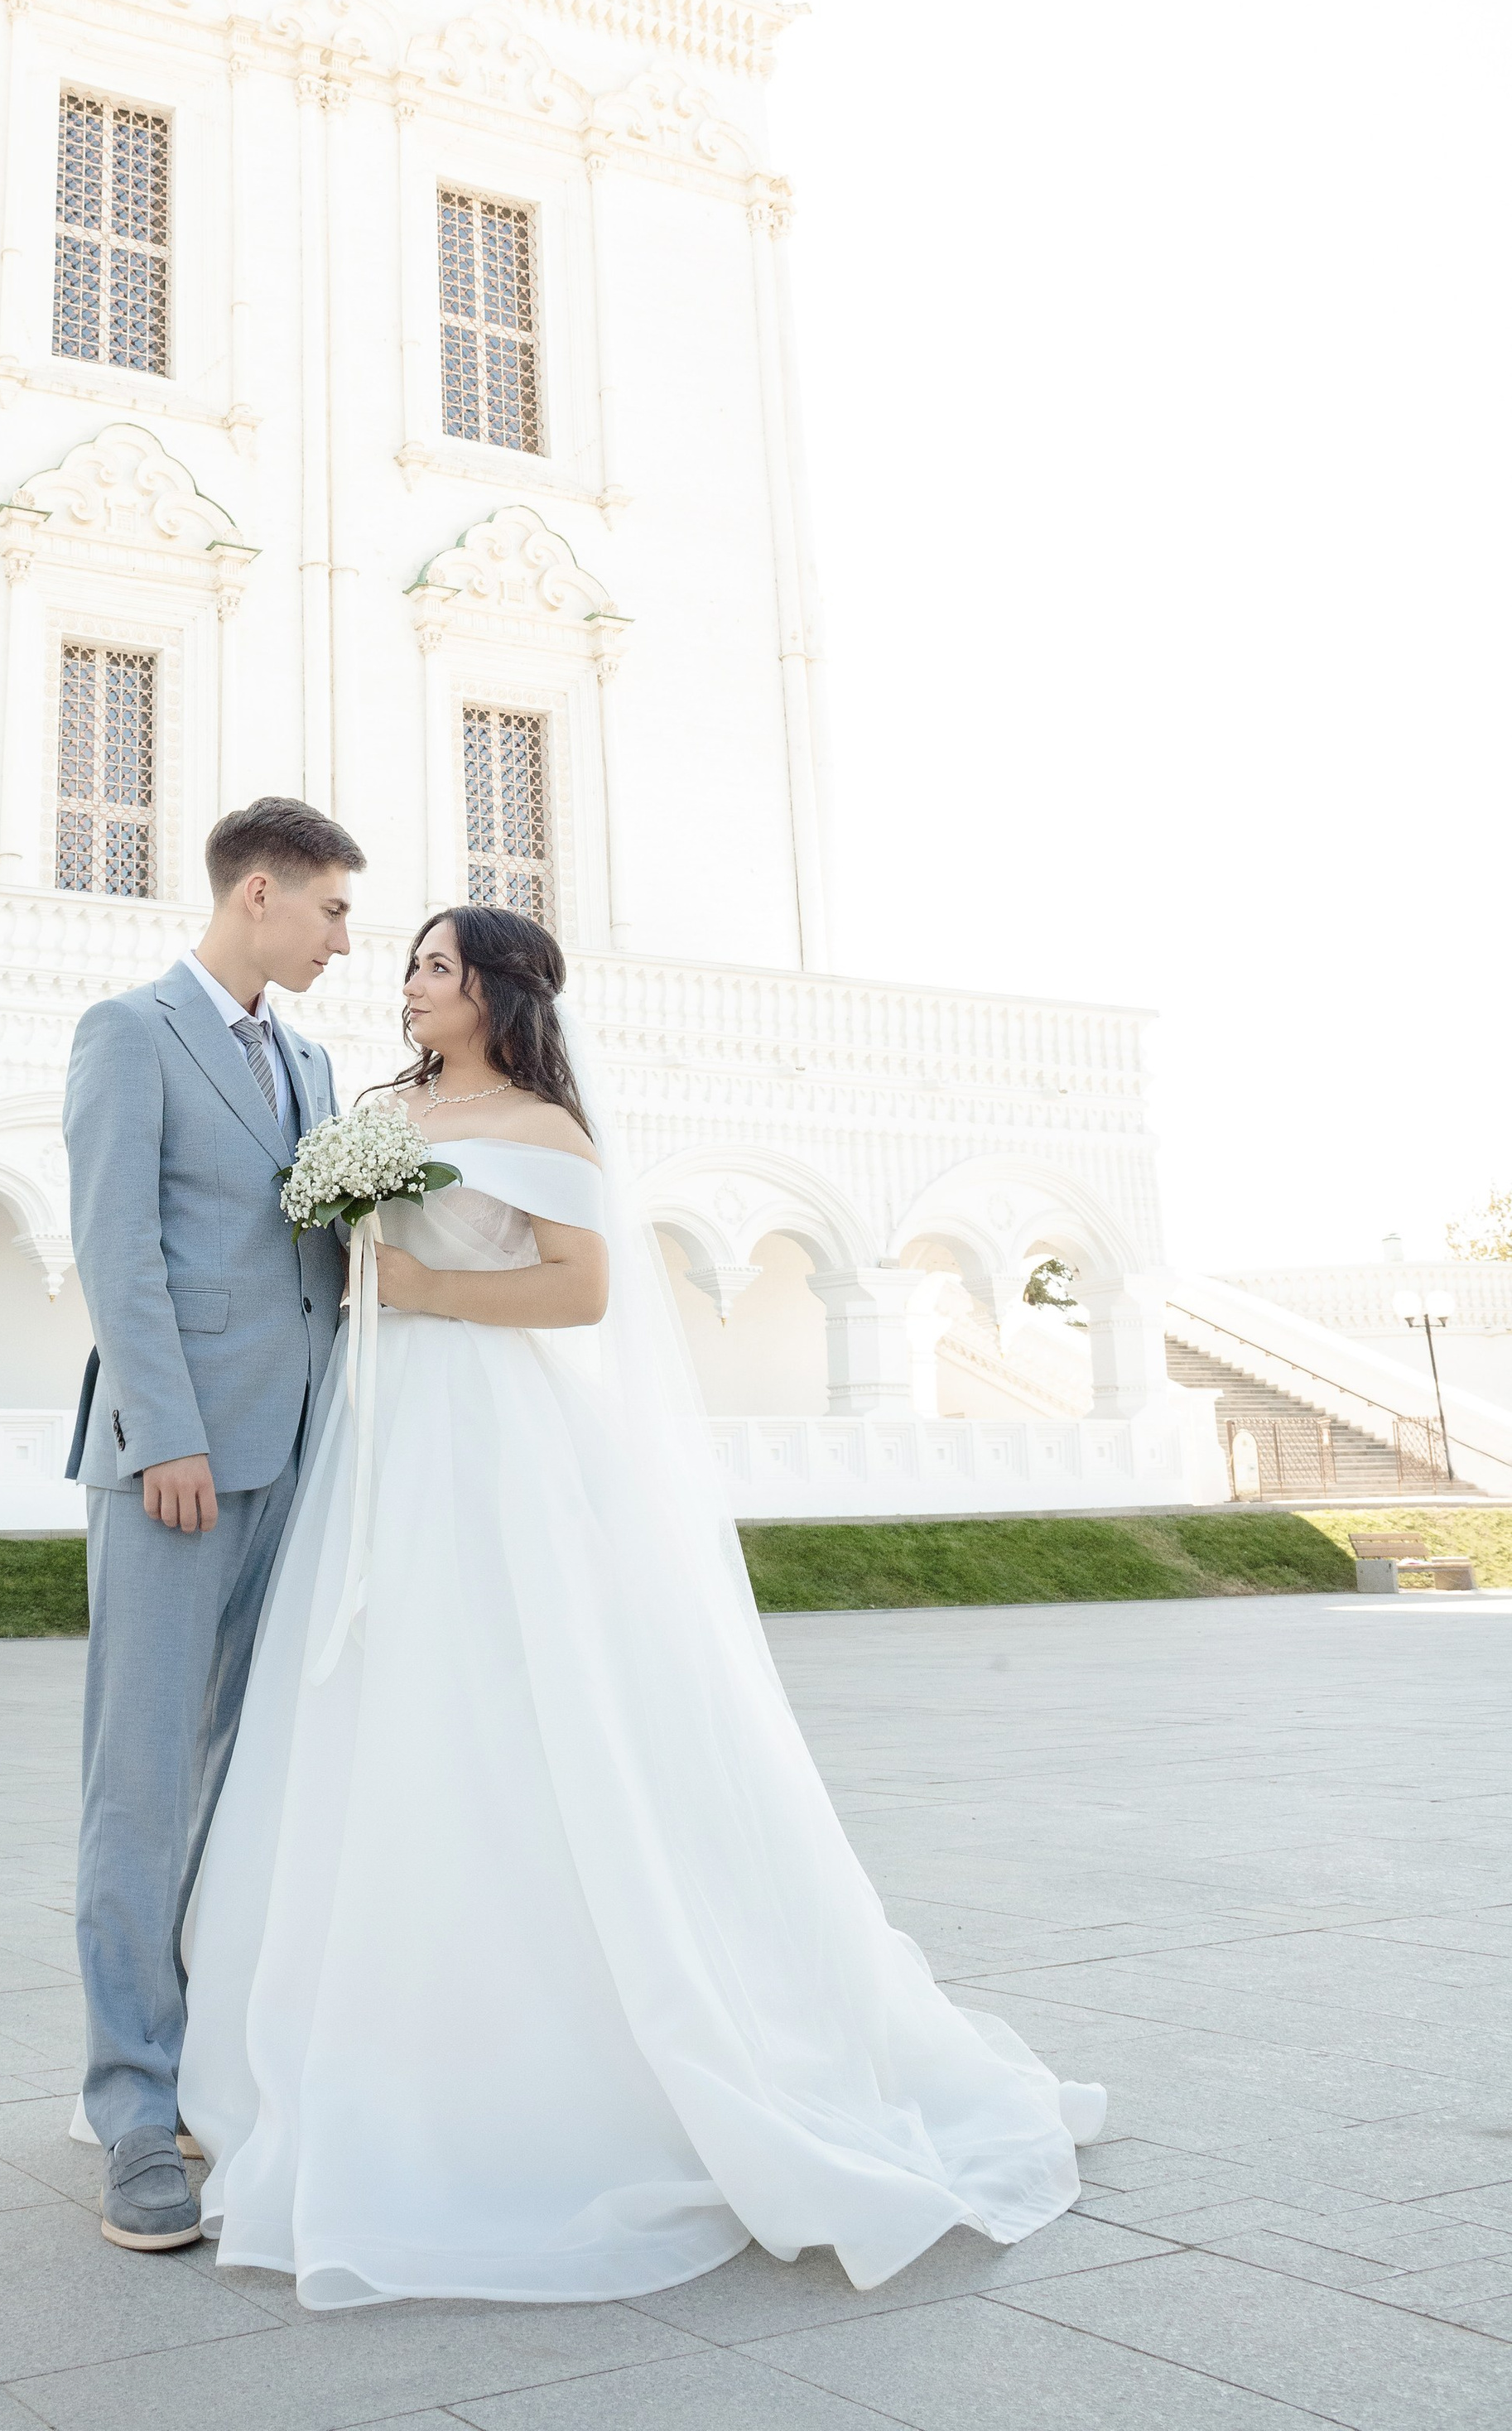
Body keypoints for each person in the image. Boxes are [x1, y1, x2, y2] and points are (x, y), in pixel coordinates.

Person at [176, 904, 1105, 2308]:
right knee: (374, 1703)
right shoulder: (378, 1107)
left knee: (521, 1693)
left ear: (493, 988)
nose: (411, 982)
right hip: (382, 1438)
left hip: (495, 1427)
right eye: (412, 964)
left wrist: (421, 1278)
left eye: (435, 965)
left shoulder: (548, 1129)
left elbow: (581, 1290)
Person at [62, 796, 364, 2254]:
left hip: (305, 1457)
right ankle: (131, 2109)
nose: (344, 938)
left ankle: (214, 2076)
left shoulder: (312, 1061)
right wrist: (162, 1430)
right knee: (142, 1783)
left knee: (247, 1781)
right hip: (179, 1460)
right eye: (332, 912)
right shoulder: (130, 1035)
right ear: (261, 893)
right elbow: (115, 1246)